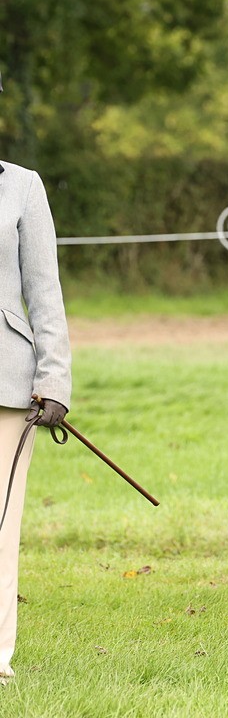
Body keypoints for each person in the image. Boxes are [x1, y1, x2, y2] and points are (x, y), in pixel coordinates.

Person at [0, 69, 73, 680]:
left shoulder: (22, 187)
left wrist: (55, 380)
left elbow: (43, 293)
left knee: (0, 524)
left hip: (7, 381)